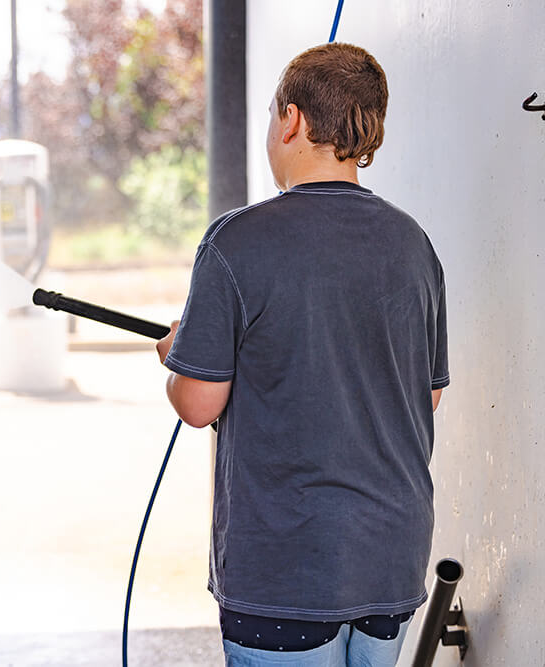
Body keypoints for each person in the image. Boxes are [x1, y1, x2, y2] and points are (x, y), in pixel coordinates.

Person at [155, 43, 448, 666]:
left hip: (285, 566)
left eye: (270, 116)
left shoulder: (237, 241)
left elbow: (199, 404)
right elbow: (427, 395)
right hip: (391, 557)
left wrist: (182, 355)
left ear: (291, 120)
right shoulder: (413, 243)